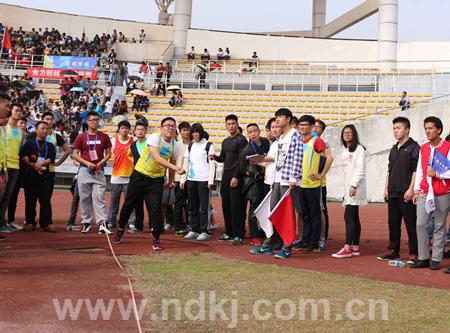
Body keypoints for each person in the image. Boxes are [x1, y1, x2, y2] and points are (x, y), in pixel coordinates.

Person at [112, 117, 185, 251]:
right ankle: (121, 228)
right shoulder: (154, 138)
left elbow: (173, 163)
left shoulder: (175, 145)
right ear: (161, 128)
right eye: (167, 125)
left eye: (173, 126)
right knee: (129, 203)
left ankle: (156, 237)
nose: (170, 128)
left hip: (156, 180)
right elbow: (157, 157)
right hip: (140, 175)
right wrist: (176, 169)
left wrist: (170, 180)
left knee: (155, 207)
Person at [249, 108, 303, 258]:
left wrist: (293, 178)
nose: (277, 119)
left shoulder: (294, 135)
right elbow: (277, 161)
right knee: (272, 212)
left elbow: (297, 158)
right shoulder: (281, 138)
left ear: (288, 119)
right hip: (277, 180)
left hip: (288, 181)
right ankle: (268, 244)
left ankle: (287, 247)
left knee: (287, 215)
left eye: (280, 117)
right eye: (276, 117)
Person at [410, 117, 450, 271]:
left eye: (430, 128)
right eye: (425, 128)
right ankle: (423, 257)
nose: (427, 131)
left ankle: (436, 259)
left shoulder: (447, 147)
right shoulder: (424, 148)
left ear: (438, 130)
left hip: (442, 192)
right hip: (425, 191)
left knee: (439, 225)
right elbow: (420, 169)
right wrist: (416, 190)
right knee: (420, 223)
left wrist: (437, 174)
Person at [378, 117, 419, 263]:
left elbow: (416, 170)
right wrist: (386, 188)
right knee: (393, 223)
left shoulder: (414, 147)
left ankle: (415, 252)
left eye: (398, 128)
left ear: (407, 129)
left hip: (406, 192)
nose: (395, 131)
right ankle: (393, 250)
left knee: (411, 224)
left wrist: (411, 189)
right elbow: (389, 170)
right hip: (393, 191)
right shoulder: (394, 149)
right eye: (394, 128)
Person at [295, 115, 333, 253]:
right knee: (304, 214)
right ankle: (305, 240)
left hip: (313, 185)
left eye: (305, 125)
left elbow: (330, 158)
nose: (302, 127)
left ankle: (314, 243)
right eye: (300, 125)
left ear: (311, 127)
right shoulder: (298, 141)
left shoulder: (316, 141)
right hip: (300, 184)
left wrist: (321, 174)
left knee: (314, 215)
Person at [73, 111, 112, 234]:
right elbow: (75, 154)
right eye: (92, 120)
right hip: (85, 170)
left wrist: (101, 162)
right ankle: (86, 223)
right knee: (84, 198)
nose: (95, 122)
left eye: (97, 119)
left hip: (98, 170)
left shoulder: (104, 136)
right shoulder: (81, 136)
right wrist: (86, 163)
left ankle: (102, 223)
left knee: (99, 197)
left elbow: (109, 153)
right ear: (87, 122)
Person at [332, 125, 367, 259]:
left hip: (355, 187)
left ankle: (347, 247)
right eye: (344, 132)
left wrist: (353, 185)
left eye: (349, 132)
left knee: (349, 216)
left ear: (354, 135)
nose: (347, 134)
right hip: (348, 188)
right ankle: (355, 246)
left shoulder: (359, 149)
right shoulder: (345, 151)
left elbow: (360, 170)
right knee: (354, 217)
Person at [213, 114, 248, 245]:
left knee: (237, 205)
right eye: (228, 124)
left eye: (233, 123)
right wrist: (214, 157)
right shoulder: (226, 141)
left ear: (237, 124)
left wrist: (236, 176)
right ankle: (229, 232)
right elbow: (223, 158)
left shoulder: (242, 140)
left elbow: (241, 159)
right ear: (226, 126)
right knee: (226, 204)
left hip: (236, 175)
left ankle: (238, 234)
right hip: (225, 175)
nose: (231, 126)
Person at [182, 123, 216, 241]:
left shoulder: (209, 145)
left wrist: (211, 180)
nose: (195, 134)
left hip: (204, 180)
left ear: (201, 132)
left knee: (203, 207)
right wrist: (183, 179)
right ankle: (194, 229)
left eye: (197, 132)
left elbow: (212, 164)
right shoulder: (190, 145)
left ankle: (204, 230)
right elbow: (186, 162)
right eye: (193, 132)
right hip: (191, 179)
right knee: (192, 206)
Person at [21, 122, 56, 232]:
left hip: (45, 176)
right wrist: (33, 165)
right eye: (42, 128)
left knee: (45, 200)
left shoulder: (50, 145)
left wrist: (40, 165)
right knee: (30, 200)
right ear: (36, 130)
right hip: (31, 176)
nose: (45, 131)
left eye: (46, 129)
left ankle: (46, 223)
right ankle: (30, 222)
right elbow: (24, 156)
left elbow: (51, 158)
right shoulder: (29, 143)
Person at [240, 123, 270, 246]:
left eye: (255, 131)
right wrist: (252, 173)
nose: (253, 134)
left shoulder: (266, 142)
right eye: (250, 132)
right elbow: (242, 168)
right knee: (254, 208)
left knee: (266, 208)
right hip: (255, 184)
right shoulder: (247, 149)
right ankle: (254, 235)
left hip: (267, 180)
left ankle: (264, 232)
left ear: (259, 131)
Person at [0, 103, 24, 232]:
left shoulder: (20, 131)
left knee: (8, 197)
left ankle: (2, 222)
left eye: (20, 111)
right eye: (16, 110)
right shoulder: (4, 128)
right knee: (1, 196)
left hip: (16, 166)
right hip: (5, 166)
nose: (18, 113)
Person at [108, 121, 135, 228]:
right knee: (114, 201)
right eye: (122, 128)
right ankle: (112, 220)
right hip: (116, 176)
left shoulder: (134, 141)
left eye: (126, 128)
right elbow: (108, 154)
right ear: (119, 129)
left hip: (129, 176)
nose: (124, 130)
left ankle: (131, 221)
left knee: (130, 201)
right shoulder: (113, 141)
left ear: (129, 130)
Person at [127, 121, 148, 233]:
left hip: (149, 175)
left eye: (142, 129)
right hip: (137, 176)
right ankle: (138, 226)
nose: (140, 131)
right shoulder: (133, 145)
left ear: (146, 131)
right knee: (138, 202)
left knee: (151, 203)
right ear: (134, 132)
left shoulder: (150, 144)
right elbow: (130, 156)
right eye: (138, 129)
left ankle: (155, 227)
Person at [172, 122, 191, 236]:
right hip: (179, 178)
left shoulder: (194, 144)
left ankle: (190, 225)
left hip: (193, 178)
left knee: (191, 204)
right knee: (179, 203)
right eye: (184, 130)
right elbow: (172, 161)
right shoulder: (176, 145)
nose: (186, 132)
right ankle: (178, 226)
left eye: (188, 130)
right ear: (180, 132)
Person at [313, 119, 330, 241]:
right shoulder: (309, 142)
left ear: (322, 131)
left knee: (322, 209)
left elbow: (325, 161)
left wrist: (321, 175)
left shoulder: (323, 144)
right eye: (314, 126)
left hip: (320, 183)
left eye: (318, 127)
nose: (315, 129)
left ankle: (323, 236)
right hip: (309, 182)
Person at [0, 93, 11, 241]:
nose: (8, 109)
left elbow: (2, 150)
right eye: (6, 106)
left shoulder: (2, 128)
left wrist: (4, 170)